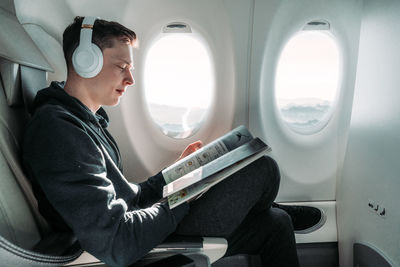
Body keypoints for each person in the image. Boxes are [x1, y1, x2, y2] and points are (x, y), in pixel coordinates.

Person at [22, 16, 323, 267]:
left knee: (276, 222)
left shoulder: (86, 121)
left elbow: (132, 197)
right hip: (143, 244)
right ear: (85, 62)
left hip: (149, 222)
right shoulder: (58, 131)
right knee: (263, 169)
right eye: (121, 67)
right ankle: (259, 200)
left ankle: (262, 205)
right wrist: (181, 198)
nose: (130, 80)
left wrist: (175, 172)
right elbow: (116, 241)